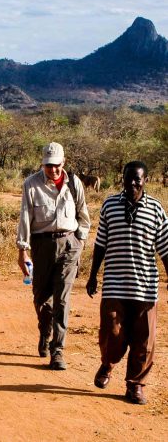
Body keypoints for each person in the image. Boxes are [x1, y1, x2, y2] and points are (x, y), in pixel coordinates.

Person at [86, 161, 168, 405]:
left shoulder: (155, 209)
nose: (132, 183)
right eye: (128, 178)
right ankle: (108, 363)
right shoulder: (110, 205)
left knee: (144, 340)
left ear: (145, 180)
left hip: (145, 287)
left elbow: (165, 248)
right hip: (114, 283)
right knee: (112, 332)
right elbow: (100, 243)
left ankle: (135, 385)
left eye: (137, 179)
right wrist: (93, 275)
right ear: (122, 178)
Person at [17, 142, 90, 370]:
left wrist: (80, 241)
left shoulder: (74, 183)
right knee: (42, 298)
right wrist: (22, 250)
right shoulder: (31, 184)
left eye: (57, 165)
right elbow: (25, 218)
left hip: (69, 244)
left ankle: (57, 350)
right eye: (48, 166)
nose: (53, 170)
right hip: (42, 246)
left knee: (62, 299)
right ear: (43, 164)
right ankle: (44, 331)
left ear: (63, 162)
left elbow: (83, 215)